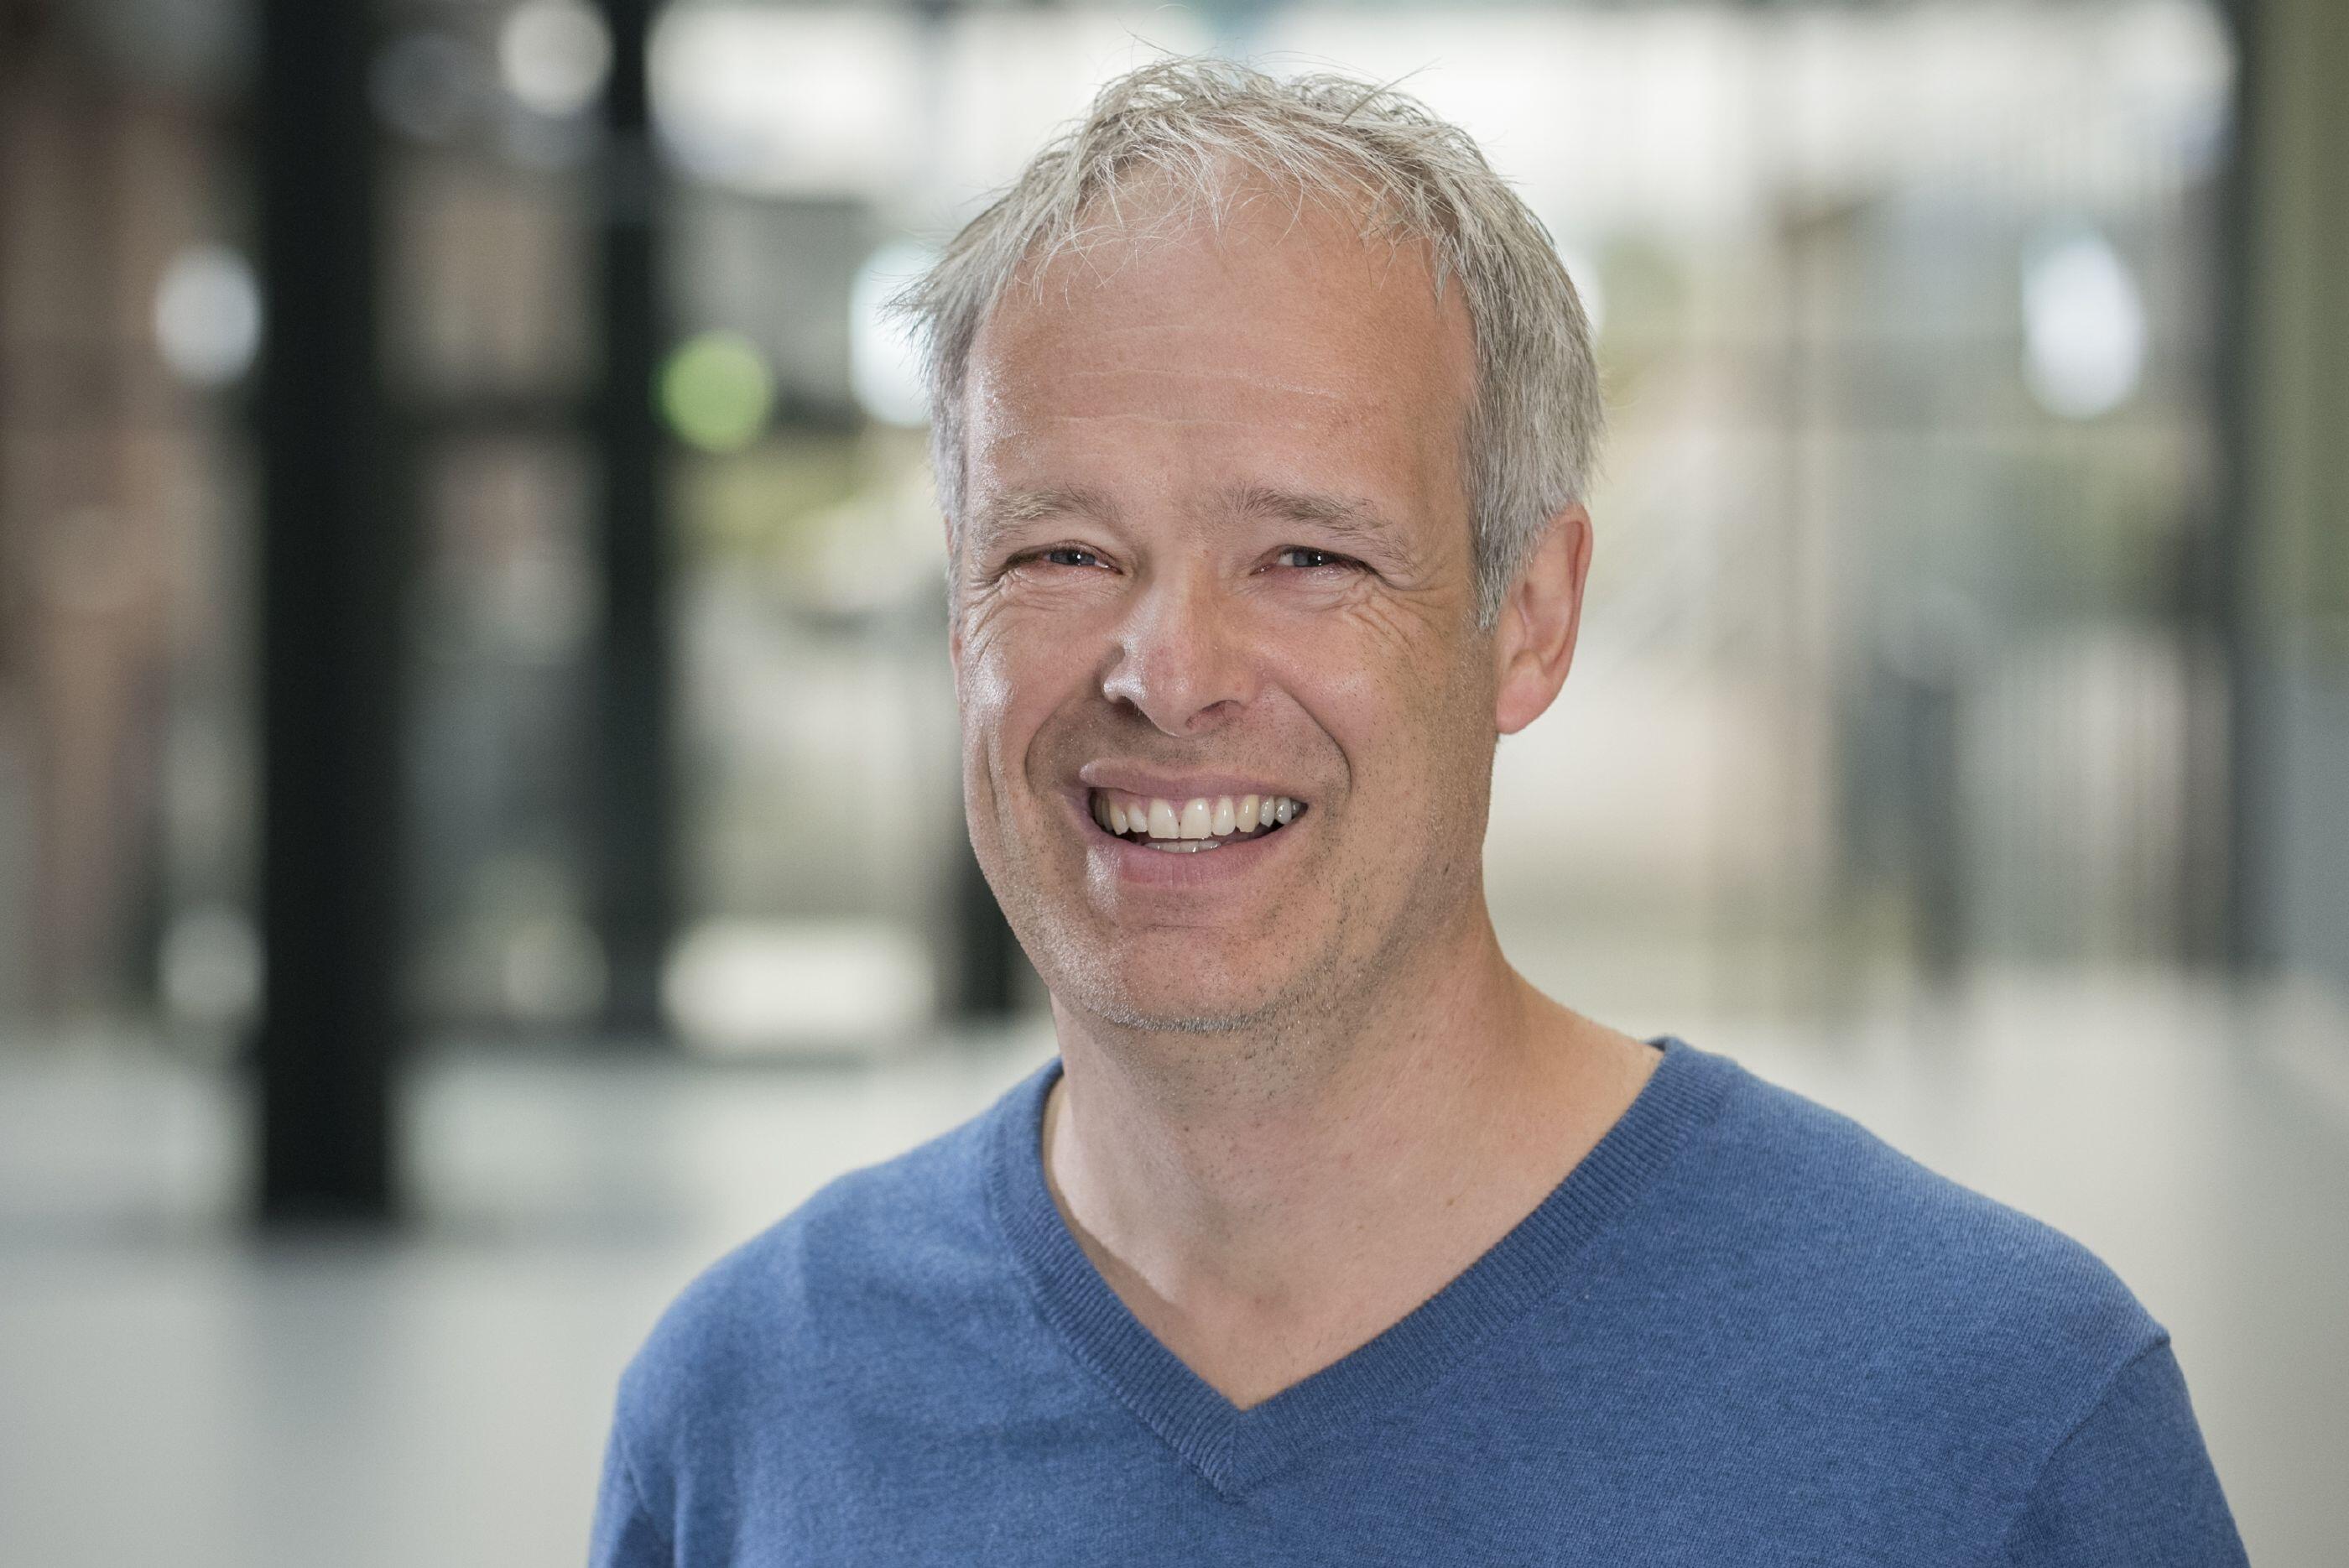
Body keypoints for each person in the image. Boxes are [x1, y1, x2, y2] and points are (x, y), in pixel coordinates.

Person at [591, 59, 2246, 1565]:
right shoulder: (750, 1407)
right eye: (1061, 552)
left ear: (1529, 615)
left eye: (1306, 554)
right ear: (958, 613)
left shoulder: (1993, 1419)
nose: (1167, 675)